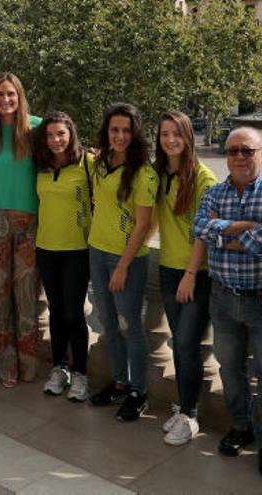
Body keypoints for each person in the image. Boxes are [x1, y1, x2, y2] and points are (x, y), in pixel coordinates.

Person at [192, 127, 262, 476]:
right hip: (222, 298)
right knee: (230, 370)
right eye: (233, 150)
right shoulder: (214, 190)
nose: (238, 157)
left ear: (259, 153)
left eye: (247, 151)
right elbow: (200, 228)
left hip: (259, 299)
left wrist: (223, 233)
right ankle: (241, 427)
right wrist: (246, 228)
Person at [87, 103, 158, 422]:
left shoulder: (144, 172)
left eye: (126, 130)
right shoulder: (100, 163)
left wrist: (122, 266)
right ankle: (119, 382)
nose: (120, 135)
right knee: (109, 323)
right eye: (114, 129)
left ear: (135, 133)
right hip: (96, 251)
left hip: (125, 260)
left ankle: (139, 391)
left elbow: (144, 226)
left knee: (132, 327)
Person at [0, 72, 43, 387]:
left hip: (29, 221)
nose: (5, 100)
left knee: (26, 296)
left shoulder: (37, 128)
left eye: (11, 95)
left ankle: (28, 367)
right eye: (0, 95)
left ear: (20, 97)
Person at [154, 111, 218, 445]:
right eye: (164, 134)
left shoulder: (203, 178)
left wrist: (191, 274)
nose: (170, 140)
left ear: (188, 136)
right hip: (167, 269)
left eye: (176, 134)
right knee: (180, 342)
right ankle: (184, 406)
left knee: (186, 344)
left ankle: (191, 416)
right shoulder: (161, 173)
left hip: (196, 273)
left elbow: (204, 234)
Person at [32, 112, 93, 401]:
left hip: (77, 251)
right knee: (56, 314)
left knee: (73, 314)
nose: (56, 140)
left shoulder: (88, 164)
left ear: (71, 135)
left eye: (61, 134)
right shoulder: (41, 167)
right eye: (50, 135)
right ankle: (60, 368)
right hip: (46, 249)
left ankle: (81, 373)